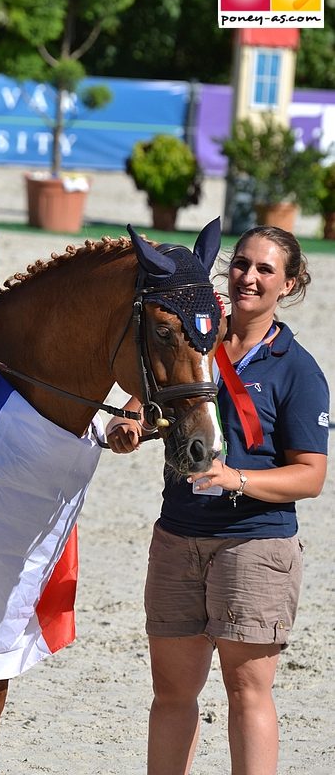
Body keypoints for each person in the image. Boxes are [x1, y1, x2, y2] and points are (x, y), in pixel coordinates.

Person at [106, 226, 329, 775]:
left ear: (290, 284)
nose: (248, 277)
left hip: (254, 545)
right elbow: (147, 393)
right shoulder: (190, 338)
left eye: (265, 270)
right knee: (171, 694)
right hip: (177, 536)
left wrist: (238, 480)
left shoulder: (297, 371)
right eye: (241, 264)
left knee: (246, 691)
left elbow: (310, 477)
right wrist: (130, 420)